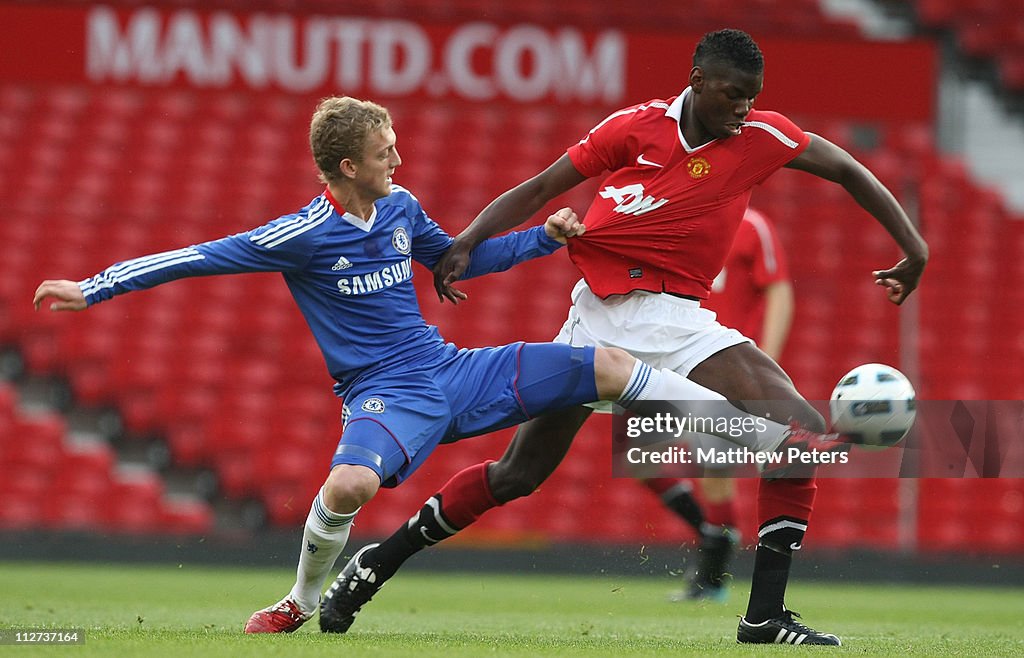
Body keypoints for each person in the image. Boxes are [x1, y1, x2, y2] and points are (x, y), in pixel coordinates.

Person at [32, 96, 834, 635]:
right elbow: (197, 257)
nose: (399, 157)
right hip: (387, 395)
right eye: (385, 151)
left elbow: (460, 262)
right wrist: (94, 288)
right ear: (346, 166)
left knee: (607, 364)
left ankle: (756, 436)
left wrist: (547, 238)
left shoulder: (403, 209)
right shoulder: (302, 234)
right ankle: (297, 601)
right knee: (347, 489)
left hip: (452, 371)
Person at [320, 29, 927, 647]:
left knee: (797, 438)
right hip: (595, 325)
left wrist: (914, 248)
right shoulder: (634, 128)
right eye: (731, 94)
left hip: (681, 322)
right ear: (696, 80)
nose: (743, 109)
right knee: (517, 475)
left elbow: (849, 169)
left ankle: (764, 617)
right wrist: (469, 241)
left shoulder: (761, 137)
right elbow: (539, 189)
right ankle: (374, 564)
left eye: (752, 97)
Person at [655, 206, 795, 603]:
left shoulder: (753, 224)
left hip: (723, 366)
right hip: (670, 360)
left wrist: (765, 361)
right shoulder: (677, 216)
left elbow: (780, 288)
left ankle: (713, 573)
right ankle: (714, 539)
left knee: (713, 471)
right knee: (638, 455)